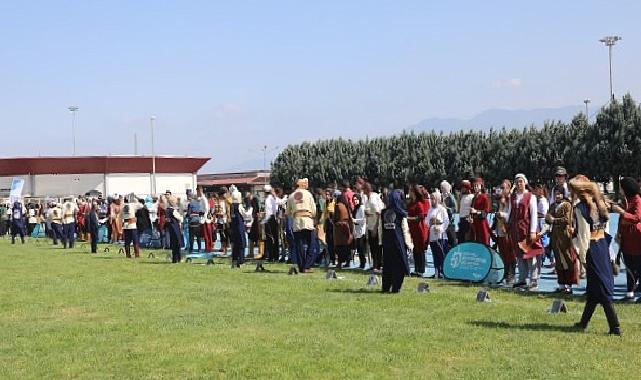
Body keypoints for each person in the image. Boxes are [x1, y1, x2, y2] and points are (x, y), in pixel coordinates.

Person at [569, 176, 621, 336]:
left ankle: (615, 327)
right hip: (602, 247)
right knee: (593, 289)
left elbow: (584, 236)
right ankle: (583, 322)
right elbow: (605, 229)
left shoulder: (580, 208)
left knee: (602, 288)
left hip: (592, 249)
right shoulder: (601, 203)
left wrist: (582, 258)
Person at [610, 177, 641, 303]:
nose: (620, 189)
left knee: (638, 267)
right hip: (626, 238)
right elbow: (620, 220)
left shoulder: (638, 200)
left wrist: (622, 212)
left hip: (636, 238)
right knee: (629, 266)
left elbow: (637, 218)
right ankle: (630, 293)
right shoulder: (625, 200)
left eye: (622, 187)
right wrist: (618, 233)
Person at [507, 174, 539, 290]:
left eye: (521, 181)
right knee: (519, 255)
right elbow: (510, 212)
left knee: (530, 254)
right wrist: (507, 223)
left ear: (525, 182)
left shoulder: (530, 196)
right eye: (517, 182)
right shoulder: (513, 197)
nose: (519, 184)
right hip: (516, 230)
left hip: (526, 229)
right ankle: (522, 279)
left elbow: (534, 214)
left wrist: (532, 231)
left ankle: (533, 279)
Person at [546, 184, 579, 294]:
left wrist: (554, 220)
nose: (557, 196)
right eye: (556, 194)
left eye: (559, 193)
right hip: (555, 237)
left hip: (565, 236)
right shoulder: (552, 205)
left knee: (568, 260)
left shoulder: (567, 205)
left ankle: (569, 285)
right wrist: (549, 219)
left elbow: (567, 220)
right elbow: (547, 217)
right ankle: (561, 285)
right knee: (559, 261)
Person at [381, 189, 413, 293]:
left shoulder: (383, 212)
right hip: (398, 243)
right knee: (398, 266)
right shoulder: (401, 214)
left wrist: (381, 242)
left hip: (387, 243)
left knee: (387, 266)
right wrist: (409, 244)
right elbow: (405, 230)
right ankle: (396, 287)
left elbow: (381, 229)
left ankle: (385, 287)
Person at [286, 178, 317, 273]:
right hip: (307, 221)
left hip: (297, 222)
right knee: (311, 244)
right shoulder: (308, 194)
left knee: (299, 245)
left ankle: (301, 267)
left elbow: (288, 212)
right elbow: (314, 210)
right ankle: (307, 266)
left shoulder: (291, 196)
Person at [491, 180, 515, 284]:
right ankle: (505, 274)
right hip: (500, 227)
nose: (502, 189)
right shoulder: (500, 199)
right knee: (503, 252)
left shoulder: (511, 200)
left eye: (504, 188)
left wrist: (502, 215)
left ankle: (511, 274)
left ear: (509, 188)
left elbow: (511, 214)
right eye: (501, 187)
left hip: (508, 228)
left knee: (510, 253)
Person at [426, 190, 449, 279]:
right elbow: (426, 221)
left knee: (441, 254)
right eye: (431, 198)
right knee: (435, 254)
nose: (432, 200)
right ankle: (436, 272)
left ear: (438, 199)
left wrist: (441, 228)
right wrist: (430, 222)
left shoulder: (442, 209)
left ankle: (443, 272)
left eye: (433, 199)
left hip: (440, 235)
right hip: (432, 235)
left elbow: (446, 221)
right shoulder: (430, 210)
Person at [407, 185, 429, 277]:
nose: (409, 193)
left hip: (419, 229)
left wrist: (409, 218)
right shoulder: (411, 203)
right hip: (412, 229)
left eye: (410, 191)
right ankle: (416, 269)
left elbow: (420, 217)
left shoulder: (419, 204)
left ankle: (421, 270)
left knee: (420, 250)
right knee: (415, 250)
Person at [364, 182, 384, 272]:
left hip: (375, 225)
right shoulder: (367, 198)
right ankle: (374, 264)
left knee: (376, 246)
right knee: (372, 246)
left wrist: (375, 228)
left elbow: (378, 213)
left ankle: (377, 265)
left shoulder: (373, 199)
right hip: (370, 224)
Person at [333, 194, 353, 269]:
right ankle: (347, 261)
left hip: (339, 227)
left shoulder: (338, 206)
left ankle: (340, 262)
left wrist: (334, 222)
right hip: (346, 226)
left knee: (340, 246)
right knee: (346, 245)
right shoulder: (346, 206)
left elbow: (336, 217)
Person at [261, 185, 280, 262]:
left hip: (269, 219)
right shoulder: (273, 198)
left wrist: (264, 220)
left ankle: (271, 256)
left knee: (269, 238)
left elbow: (268, 212)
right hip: (274, 218)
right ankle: (275, 256)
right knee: (275, 238)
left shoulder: (267, 200)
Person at [230, 187, 247, 267]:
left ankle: (234, 259)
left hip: (234, 227)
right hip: (239, 226)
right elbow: (245, 214)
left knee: (235, 244)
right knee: (242, 243)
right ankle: (241, 259)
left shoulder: (232, 206)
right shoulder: (239, 206)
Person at [121, 194, 143, 258]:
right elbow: (141, 205)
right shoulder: (133, 205)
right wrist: (136, 199)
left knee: (127, 241)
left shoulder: (123, 206)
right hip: (132, 224)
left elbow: (121, 216)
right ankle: (137, 254)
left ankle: (128, 254)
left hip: (125, 225)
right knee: (135, 240)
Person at [470, 177, 490, 245]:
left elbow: (485, 212)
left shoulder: (484, 197)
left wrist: (476, 211)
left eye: (477, 185)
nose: (475, 187)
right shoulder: (474, 198)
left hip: (482, 224)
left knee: (484, 242)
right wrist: (470, 217)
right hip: (475, 224)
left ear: (481, 186)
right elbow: (471, 211)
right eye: (474, 186)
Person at [164, 196, 184, 263]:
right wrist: (181, 218)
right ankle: (178, 258)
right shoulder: (173, 210)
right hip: (175, 228)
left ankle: (174, 259)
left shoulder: (167, 210)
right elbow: (180, 218)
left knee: (173, 244)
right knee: (177, 243)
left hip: (171, 228)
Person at [352, 193, 367, 269]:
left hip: (362, 231)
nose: (355, 201)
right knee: (358, 248)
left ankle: (363, 263)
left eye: (356, 199)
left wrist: (355, 220)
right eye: (354, 200)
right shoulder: (355, 209)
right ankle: (361, 263)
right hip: (357, 231)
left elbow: (363, 220)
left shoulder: (362, 208)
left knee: (361, 248)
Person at [441, 180, 458, 247]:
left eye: (443, 187)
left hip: (450, 223)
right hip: (442, 223)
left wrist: (446, 209)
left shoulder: (451, 197)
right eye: (441, 187)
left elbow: (455, 209)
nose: (441, 189)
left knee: (452, 242)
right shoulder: (441, 197)